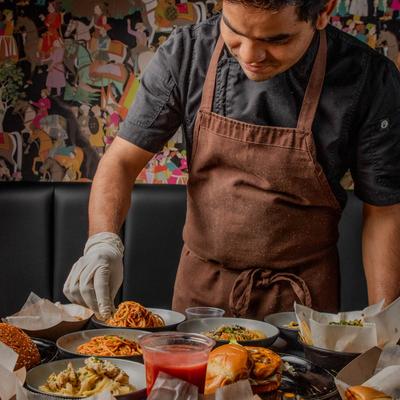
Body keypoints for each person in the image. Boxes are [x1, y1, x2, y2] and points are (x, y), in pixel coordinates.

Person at [63, 0, 400, 320]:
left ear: (323, 11)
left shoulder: (367, 78)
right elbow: (121, 159)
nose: (250, 55)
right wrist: (102, 242)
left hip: (303, 306)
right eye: (234, 31)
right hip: (200, 303)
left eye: (276, 39)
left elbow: (384, 211)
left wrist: (388, 330)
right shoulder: (188, 53)